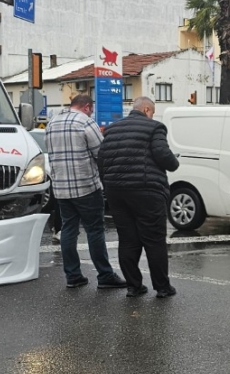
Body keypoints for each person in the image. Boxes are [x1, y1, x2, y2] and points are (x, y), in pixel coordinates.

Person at [98, 97, 180, 298]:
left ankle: (134, 286)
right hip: (146, 190)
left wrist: (108, 184)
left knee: (127, 239)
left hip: (116, 192)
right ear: (146, 109)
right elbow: (163, 155)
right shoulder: (154, 127)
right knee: (154, 240)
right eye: (152, 112)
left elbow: (101, 160)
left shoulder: (111, 130)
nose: (152, 116)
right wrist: (174, 163)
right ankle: (162, 287)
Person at [44, 94, 127, 290]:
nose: (91, 113)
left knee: (68, 230)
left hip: (61, 188)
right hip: (86, 187)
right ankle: (105, 275)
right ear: (87, 107)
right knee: (95, 230)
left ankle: (73, 276)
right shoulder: (85, 122)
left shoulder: (52, 123)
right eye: (91, 110)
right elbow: (101, 153)